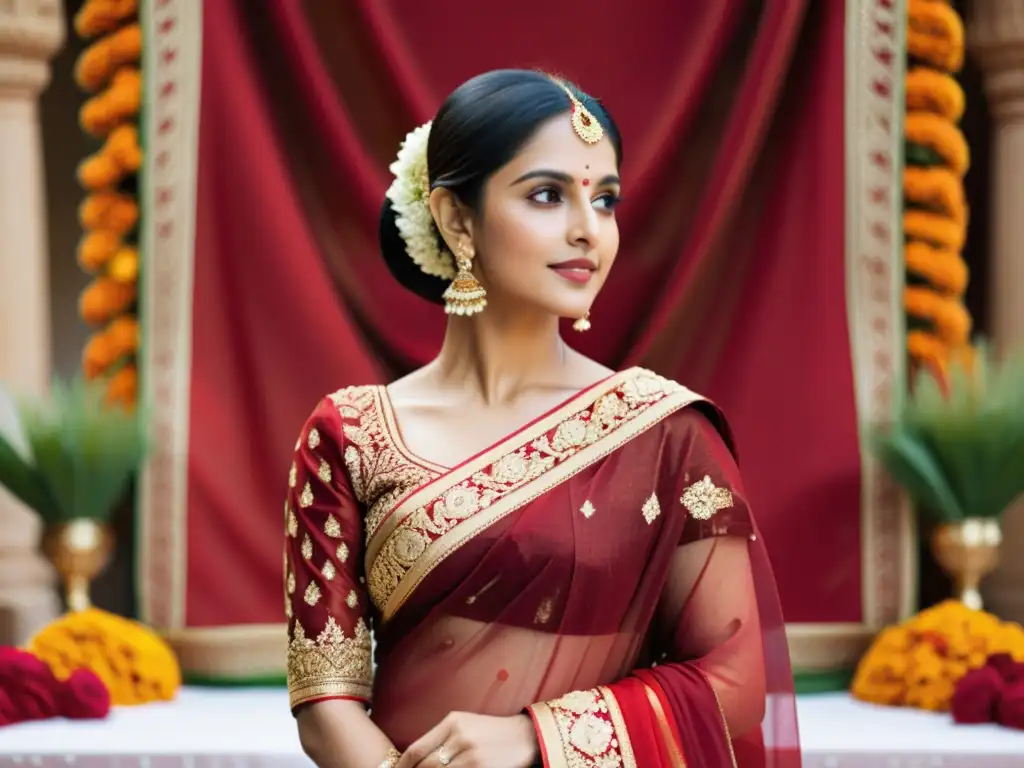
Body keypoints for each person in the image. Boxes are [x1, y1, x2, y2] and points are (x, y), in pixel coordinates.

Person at [283, 69, 800, 768]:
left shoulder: (665, 433)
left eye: (606, 200)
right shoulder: (350, 435)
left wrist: (536, 737)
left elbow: (736, 683)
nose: (588, 230)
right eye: (548, 195)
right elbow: (326, 700)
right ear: (455, 217)